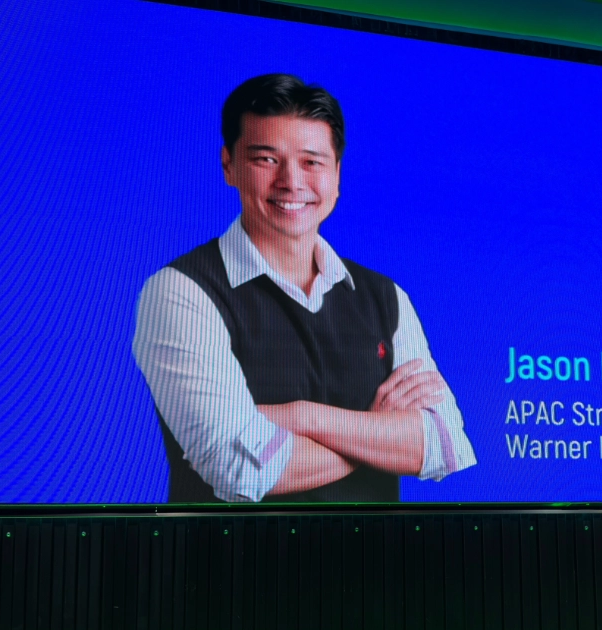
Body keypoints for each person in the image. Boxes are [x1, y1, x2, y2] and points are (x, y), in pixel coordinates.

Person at [133, 73, 476, 502]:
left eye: (312, 162)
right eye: (266, 159)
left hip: (380, 548)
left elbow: (444, 444)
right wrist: (376, 431)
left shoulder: (385, 297)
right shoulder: (180, 292)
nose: (291, 182)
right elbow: (238, 469)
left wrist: (302, 416)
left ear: (337, 174)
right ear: (228, 165)